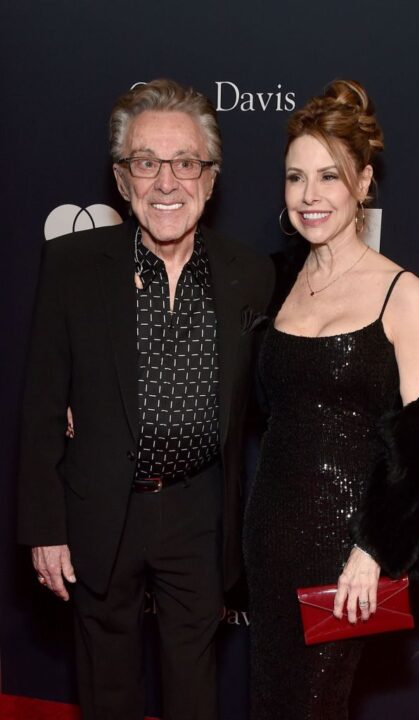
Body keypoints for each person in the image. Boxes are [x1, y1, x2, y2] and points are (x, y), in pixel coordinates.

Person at [17, 78, 274, 720]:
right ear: (121, 177)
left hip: (199, 511)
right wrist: (45, 527)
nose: (167, 183)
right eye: (146, 162)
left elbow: (273, 392)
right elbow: (43, 405)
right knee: (108, 688)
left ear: (210, 180)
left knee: (194, 689)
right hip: (102, 505)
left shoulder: (251, 273)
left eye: (185, 163)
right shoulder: (72, 265)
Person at [243, 79, 419, 719]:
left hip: (347, 550)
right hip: (269, 534)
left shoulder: (404, 294)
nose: (309, 196)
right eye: (295, 178)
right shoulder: (277, 279)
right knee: (271, 700)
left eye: (329, 177)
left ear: (363, 184)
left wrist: (375, 550)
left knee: (316, 705)